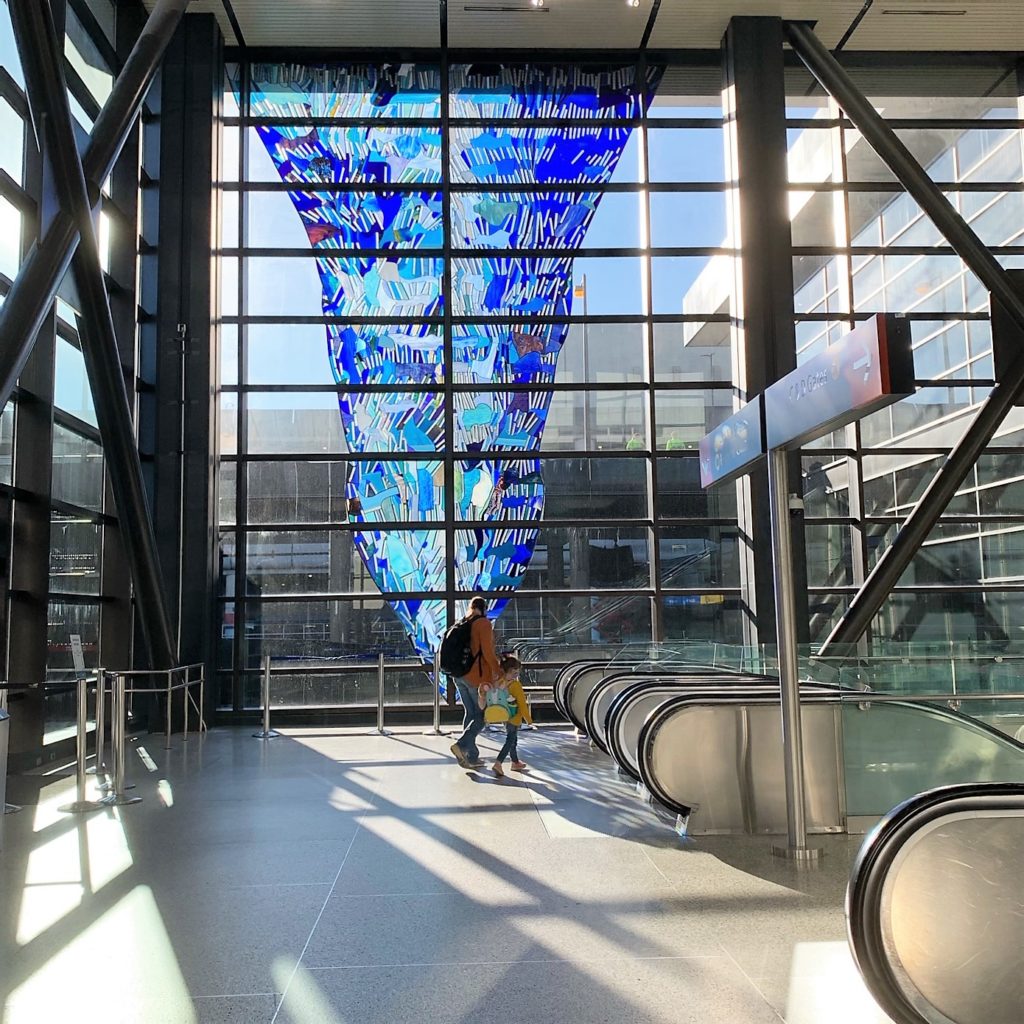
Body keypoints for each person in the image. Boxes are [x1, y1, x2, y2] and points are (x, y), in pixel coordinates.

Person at [449, 595, 501, 769]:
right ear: (484, 608)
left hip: (458, 675)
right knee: (481, 716)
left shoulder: (463, 622)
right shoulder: (483, 624)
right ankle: (462, 744)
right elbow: (487, 653)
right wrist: (500, 671)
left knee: (470, 714)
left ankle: (471, 757)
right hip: (475, 678)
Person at [491, 654, 530, 777]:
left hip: (503, 715)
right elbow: (522, 704)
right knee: (510, 740)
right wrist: (529, 719)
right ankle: (498, 762)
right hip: (515, 717)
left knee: (513, 739)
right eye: (514, 673)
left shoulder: (499, 683)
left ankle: (515, 762)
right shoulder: (516, 685)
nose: (516, 675)